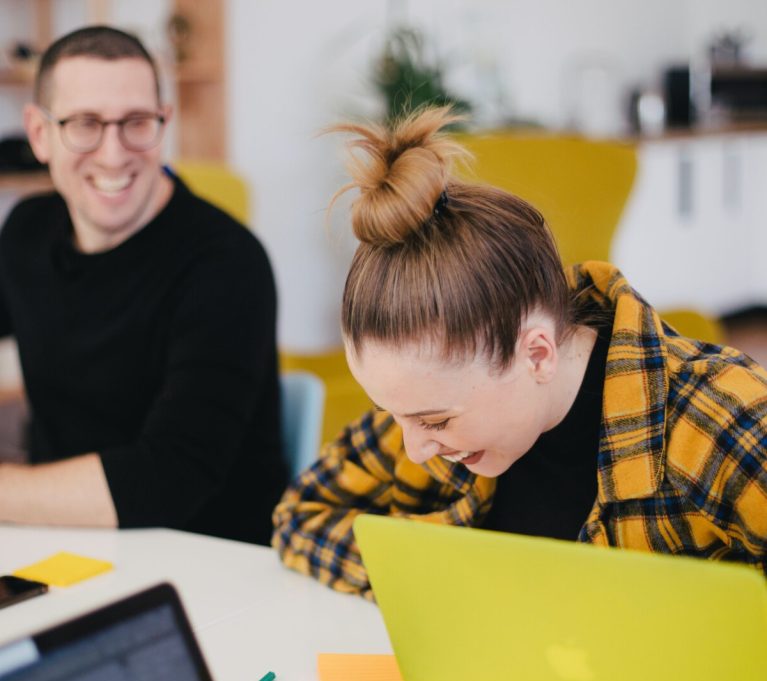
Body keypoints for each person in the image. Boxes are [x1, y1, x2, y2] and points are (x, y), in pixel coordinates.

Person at [273, 106, 767, 599]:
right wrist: (443, 576)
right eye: (395, 414)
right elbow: (300, 517)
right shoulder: (431, 403)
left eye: (436, 422)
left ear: (536, 354)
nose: (415, 449)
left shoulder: (721, 422)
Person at [0, 26, 286, 544]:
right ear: (39, 135)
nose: (113, 155)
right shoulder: (26, 231)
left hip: (208, 562)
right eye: (84, 124)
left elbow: (168, 479)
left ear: (164, 123)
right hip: (59, 542)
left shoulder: (226, 263)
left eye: (135, 123)